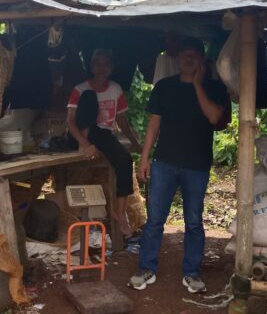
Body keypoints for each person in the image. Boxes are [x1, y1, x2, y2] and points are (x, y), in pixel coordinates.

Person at [129, 37, 229, 294]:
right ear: (177, 58)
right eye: (184, 54)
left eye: (194, 54)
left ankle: (191, 273)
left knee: (193, 222)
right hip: (164, 162)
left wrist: (197, 85)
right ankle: (146, 268)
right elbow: (153, 124)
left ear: (202, 60)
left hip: (197, 165)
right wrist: (144, 158)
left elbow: (214, 116)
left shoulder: (214, 88)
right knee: (154, 220)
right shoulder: (164, 87)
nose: (188, 58)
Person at [67, 49, 142, 236]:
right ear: (92, 67)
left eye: (106, 65)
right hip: (80, 134)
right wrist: (85, 144)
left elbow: (121, 120)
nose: (102, 69)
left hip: (102, 135)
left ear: (111, 68)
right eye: (98, 64)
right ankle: (86, 140)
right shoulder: (80, 89)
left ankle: (120, 213)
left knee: (125, 161)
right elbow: (70, 122)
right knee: (89, 96)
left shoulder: (115, 89)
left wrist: (135, 143)